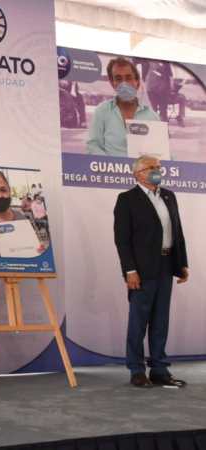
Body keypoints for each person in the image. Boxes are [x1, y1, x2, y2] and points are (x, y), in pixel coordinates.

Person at [113, 155, 189, 388]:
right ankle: (136, 370)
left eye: (159, 167)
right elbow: (122, 240)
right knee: (139, 321)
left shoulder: (169, 196)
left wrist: (182, 263)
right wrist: (130, 270)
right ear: (138, 174)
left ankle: (159, 369)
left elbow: (177, 231)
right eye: (151, 167)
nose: (157, 170)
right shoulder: (127, 199)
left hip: (166, 265)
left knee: (160, 320)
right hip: (142, 270)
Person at [87, 57, 160, 157]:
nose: (124, 84)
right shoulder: (102, 111)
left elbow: (161, 152)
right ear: (112, 83)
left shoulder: (152, 117)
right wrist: (110, 164)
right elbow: (93, 145)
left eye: (128, 78)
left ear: (137, 82)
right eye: (118, 79)